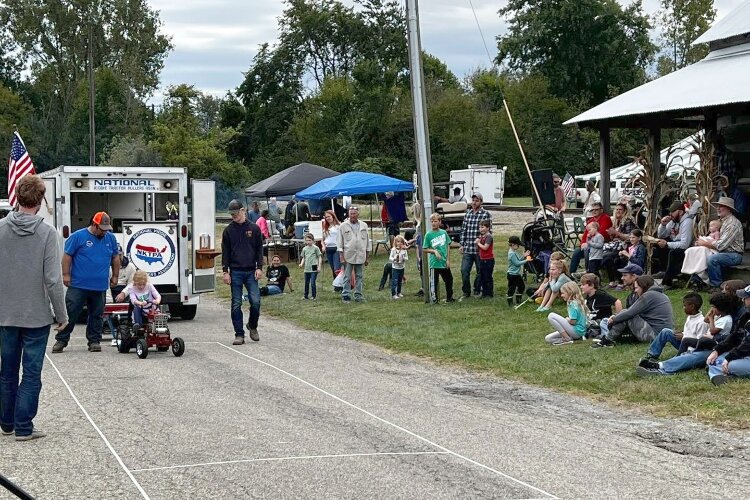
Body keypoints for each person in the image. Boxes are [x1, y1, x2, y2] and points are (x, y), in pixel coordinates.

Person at [0, 175, 68, 441]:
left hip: (5, 313)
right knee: (31, 373)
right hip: (36, 316)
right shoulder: (47, 233)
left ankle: (6, 423)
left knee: (7, 370)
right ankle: (24, 427)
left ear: (16, 197)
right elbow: (53, 279)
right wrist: (61, 315)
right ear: (40, 202)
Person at [52, 211, 119, 354]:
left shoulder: (111, 239)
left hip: (100, 285)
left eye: (107, 229)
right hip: (78, 285)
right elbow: (67, 256)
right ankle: (61, 340)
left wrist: (115, 276)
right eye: (102, 229)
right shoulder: (78, 236)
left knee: (97, 315)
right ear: (94, 225)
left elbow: (115, 258)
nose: (105, 232)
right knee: (71, 313)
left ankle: (94, 341)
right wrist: (65, 274)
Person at [637, 292, 734, 377]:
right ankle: (654, 359)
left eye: (713, 307)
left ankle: (660, 367)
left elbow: (704, 336)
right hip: (704, 344)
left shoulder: (725, 319)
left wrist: (686, 337)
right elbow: (706, 320)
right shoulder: (718, 317)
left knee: (691, 356)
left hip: (705, 346)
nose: (711, 309)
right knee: (667, 332)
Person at [222, 199, 264, 345]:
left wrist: (260, 267)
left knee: (255, 301)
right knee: (236, 303)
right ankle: (239, 334)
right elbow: (225, 252)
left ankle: (252, 325)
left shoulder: (254, 228)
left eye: (236, 213)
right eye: (231, 214)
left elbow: (260, 249)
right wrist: (225, 271)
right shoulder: (228, 231)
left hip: (251, 270)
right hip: (236, 271)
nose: (234, 216)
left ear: (243, 211)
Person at [593, 275, 673, 348]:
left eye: (637, 288)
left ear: (643, 286)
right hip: (663, 334)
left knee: (627, 314)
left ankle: (608, 340)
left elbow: (630, 313)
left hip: (656, 335)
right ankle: (611, 338)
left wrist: (614, 319)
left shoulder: (649, 295)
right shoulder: (661, 295)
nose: (635, 291)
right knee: (624, 315)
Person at [639, 293, 707, 364]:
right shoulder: (690, 317)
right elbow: (690, 332)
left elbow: (700, 343)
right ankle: (652, 355)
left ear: (692, 306)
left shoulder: (702, 322)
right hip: (683, 342)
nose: (683, 308)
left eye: (685, 306)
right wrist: (682, 333)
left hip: (691, 349)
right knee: (666, 332)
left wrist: (684, 337)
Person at [692, 197, 744, 290]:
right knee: (698, 253)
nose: (718, 208)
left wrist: (704, 243)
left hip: (734, 254)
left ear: (729, 209)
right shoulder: (721, 221)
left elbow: (721, 245)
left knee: (712, 259)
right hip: (723, 252)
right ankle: (698, 281)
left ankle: (716, 285)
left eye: (721, 206)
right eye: (718, 206)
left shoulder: (732, 223)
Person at [706, 285, 750, 385]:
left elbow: (748, 343)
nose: (743, 299)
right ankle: (722, 376)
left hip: (745, 355)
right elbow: (735, 335)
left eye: (746, 297)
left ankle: (725, 374)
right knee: (714, 360)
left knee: (729, 365)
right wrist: (717, 350)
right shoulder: (746, 315)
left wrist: (729, 357)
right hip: (744, 354)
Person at [652, 201, 695, 288]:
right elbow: (662, 235)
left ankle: (667, 282)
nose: (670, 214)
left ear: (680, 212)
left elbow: (685, 244)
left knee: (673, 252)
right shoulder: (673, 221)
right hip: (675, 243)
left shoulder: (687, 222)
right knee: (658, 244)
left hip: (686, 249)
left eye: (672, 211)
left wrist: (667, 244)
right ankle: (664, 271)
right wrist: (663, 225)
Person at [459, 192, 492, 300]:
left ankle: (477, 289)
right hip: (468, 248)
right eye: (473, 200)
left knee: (480, 272)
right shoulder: (467, 214)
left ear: (481, 202)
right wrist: (462, 244)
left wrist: (482, 242)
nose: (474, 202)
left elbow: (488, 231)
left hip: (480, 250)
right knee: (464, 270)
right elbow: (463, 230)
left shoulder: (485, 214)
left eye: (477, 200)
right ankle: (466, 292)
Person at [337, 205, 370, 303]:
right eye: (351, 214)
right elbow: (339, 243)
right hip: (348, 255)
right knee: (347, 276)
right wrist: (341, 256)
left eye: (354, 214)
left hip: (360, 255)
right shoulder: (343, 226)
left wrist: (367, 257)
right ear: (348, 214)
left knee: (359, 276)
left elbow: (367, 242)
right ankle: (346, 295)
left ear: (358, 214)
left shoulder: (364, 225)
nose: (352, 216)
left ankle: (358, 295)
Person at [569, 202, 613, 273]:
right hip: (590, 243)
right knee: (577, 252)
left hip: (600, 243)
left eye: (596, 209)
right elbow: (585, 235)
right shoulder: (591, 220)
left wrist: (588, 242)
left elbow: (602, 233)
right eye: (592, 210)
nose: (594, 211)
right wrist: (583, 243)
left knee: (587, 250)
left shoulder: (606, 218)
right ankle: (571, 273)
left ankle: (588, 271)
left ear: (601, 210)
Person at [423, 213, 454, 303]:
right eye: (432, 221)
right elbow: (424, 249)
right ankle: (434, 299)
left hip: (443, 262)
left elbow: (448, 245)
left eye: (435, 221)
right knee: (434, 282)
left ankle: (449, 298)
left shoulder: (443, 233)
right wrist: (434, 251)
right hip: (434, 263)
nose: (433, 223)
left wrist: (448, 259)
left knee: (449, 280)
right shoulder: (428, 235)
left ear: (439, 222)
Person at [680, 219, 722, 286]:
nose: (709, 228)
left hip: (710, 247)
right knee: (690, 250)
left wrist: (706, 241)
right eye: (709, 226)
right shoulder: (711, 233)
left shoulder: (717, 233)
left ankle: (700, 271)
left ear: (717, 228)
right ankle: (692, 268)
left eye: (711, 226)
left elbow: (716, 241)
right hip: (706, 245)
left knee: (703, 251)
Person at [579, 273, 620, 340]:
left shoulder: (601, 295)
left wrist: (617, 319)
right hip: (591, 323)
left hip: (602, 323)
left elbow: (617, 302)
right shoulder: (587, 296)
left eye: (583, 285)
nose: (581, 287)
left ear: (591, 285)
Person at [299, 233, 322, 300]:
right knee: (306, 282)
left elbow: (319, 257)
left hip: (314, 266)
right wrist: (301, 264)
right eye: (307, 240)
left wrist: (319, 266)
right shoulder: (304, 249)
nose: (308, 242)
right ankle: (305, 296)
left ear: (313, 240)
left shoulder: (316, 248)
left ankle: (313, 296)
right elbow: (303, 258)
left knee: (312, 282)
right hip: (307, 268)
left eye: (310, 240)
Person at [475, 220, 494, 298]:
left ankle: (489, 293)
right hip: (482, 258)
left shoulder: (489, 236)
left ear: (488, 228)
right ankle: (484, 292)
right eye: (480, 227)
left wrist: (478, 243)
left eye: (482, 227)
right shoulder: (481, 236)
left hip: (488, 259)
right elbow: (479, 248)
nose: (480, 229)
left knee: (488, 276)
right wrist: (478, 243)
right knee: (482, 276)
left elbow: (485, 247)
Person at [506, 236, 526, 306]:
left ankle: (518, 299)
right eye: (518, 245)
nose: (518, 246)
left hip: (516, 274)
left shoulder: (514, 252)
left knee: (521, 286)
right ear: (513, 244)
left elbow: (518, 260)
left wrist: (523, 256)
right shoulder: (511, 254)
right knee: (512, 288)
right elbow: (517, 263)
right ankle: (510, 302)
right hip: (512, 275)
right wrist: (526, 260)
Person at [322, 210, 342, 279]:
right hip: (328, 249)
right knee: (333, 268)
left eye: (329, 216)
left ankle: (340, 283)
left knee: (337, 268)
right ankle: (336, 285)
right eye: (326, 217)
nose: (327, 218)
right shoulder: (325, 227)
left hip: (336, 248)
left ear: (333, 216)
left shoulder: (339, 225)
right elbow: (322, 238)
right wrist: (323, 246)